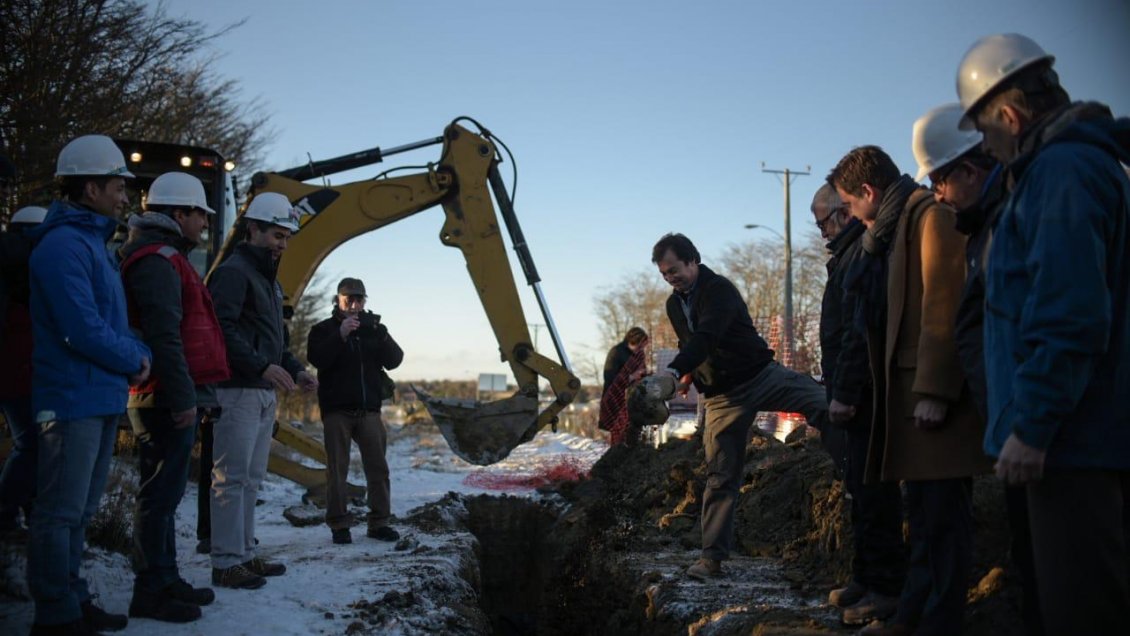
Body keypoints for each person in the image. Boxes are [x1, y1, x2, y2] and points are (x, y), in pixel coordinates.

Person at [956, 33, 1130, 634]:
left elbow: (1069, 313)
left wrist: (1032, 426)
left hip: (1073, 442)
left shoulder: (1060, 173)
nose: (984, 145)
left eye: (983, 130)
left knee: (1083, 609)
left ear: (1009, 114)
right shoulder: (1050, 173)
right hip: (1068, 435)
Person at [830, 145, 990, 636]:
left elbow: (944, 303)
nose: (850, 216)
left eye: (850, 204)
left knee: (941, 520)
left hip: (929, 398)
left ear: (869, 192)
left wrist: (936, 390)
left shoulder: (929, 216)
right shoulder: (899, 222)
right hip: (909, 394)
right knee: (921, 519)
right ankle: (914, 616)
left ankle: (937, 622)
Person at [912, 102, 1042, 636]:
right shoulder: (990, 222)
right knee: (1034, 558)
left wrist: (1029, 425)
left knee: (1058, 570)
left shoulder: (1018, 214)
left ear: (968, 170)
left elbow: (1055, 324)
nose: (938, 196)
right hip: (1015, 418)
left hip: (1040, 426)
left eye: (941, 181)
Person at [644, 233, 831, 581]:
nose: (671, 278)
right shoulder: (674, 305)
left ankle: (850, 479)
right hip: (722, 398)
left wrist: (672, 371)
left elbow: (708, 336)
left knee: (823, 403)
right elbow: (693, 345)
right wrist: (687, 378)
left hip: (760, 374)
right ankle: (711, 559)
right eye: (664, 274)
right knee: (720, 475)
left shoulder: (719, 290)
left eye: (674, 270)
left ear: (693, 260)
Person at [26, 135, 152, 634]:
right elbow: (80, 327)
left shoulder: (94, 246)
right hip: (71, 397)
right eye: (118, 186)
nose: (125, 197)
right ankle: (54, 613)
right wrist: (135, 356)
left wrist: (131, 353)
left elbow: (107, 324)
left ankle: (72, 599)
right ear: (91, 187)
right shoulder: (62, 247)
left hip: (97, 394)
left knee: (79, 511)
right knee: (60, 512)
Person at [119, 172, 231, 622]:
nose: (205, 223)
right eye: (200, 214)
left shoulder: (167, 257)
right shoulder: (157, 260)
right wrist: (186, 397)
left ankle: (166, 578)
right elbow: (166, 337)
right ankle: (150, 589)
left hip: (169, 393)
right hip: (162, 396)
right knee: (158, 497)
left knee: (164, 497)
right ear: (177, 213)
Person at [206, 192, 316, 590]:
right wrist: (260, 366)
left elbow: (275, 342)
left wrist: (296, 369)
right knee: (231, 478)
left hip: (262, 389)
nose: (282, 244)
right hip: (238, 390)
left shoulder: (269, 282)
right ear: (252, 229)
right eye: (276, 235)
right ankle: (225, 561)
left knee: (251, 479)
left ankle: (244, 554)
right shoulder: (235, 273)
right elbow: (224, 330)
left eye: (286, 237)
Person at [812, 185, 906, 622]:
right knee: (859, 493)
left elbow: (856, 332)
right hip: (852, 394)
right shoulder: (849, 256)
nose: (822, 232)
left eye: (822, 223)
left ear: (843, 213)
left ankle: (885, 586)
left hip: (863, 398)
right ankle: (867, 577)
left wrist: (845, 394)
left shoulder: (860, 257)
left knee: (874, 495)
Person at [306, 277, 403, 545]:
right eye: (349, 298)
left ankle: (379, 523)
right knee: (337, 469)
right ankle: (339, 525)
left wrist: (382, 334)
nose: (354, 304)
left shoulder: (372, 329)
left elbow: (395, 360)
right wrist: (341, 335)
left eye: (359, 299)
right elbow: (317, 358)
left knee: (378, 468)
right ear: (337, 300)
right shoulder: (322, 330)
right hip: (337, 410)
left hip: (369, 410)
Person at [0, 206, 46, 541]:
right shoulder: (26, 279)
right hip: (19, 373)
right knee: (31, 443)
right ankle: (7, 514)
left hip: (17, 371)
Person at [598, 326, 649, 445]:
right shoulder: (616, 352)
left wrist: (644, 375)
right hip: (615, 399)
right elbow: (609, 377)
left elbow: (642, 370)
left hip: (633, 399)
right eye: (641, 346)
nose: (642, 349)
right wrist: (631, 377)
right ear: (633, 342)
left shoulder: (639, 354)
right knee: (618, 436)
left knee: (634, 434)